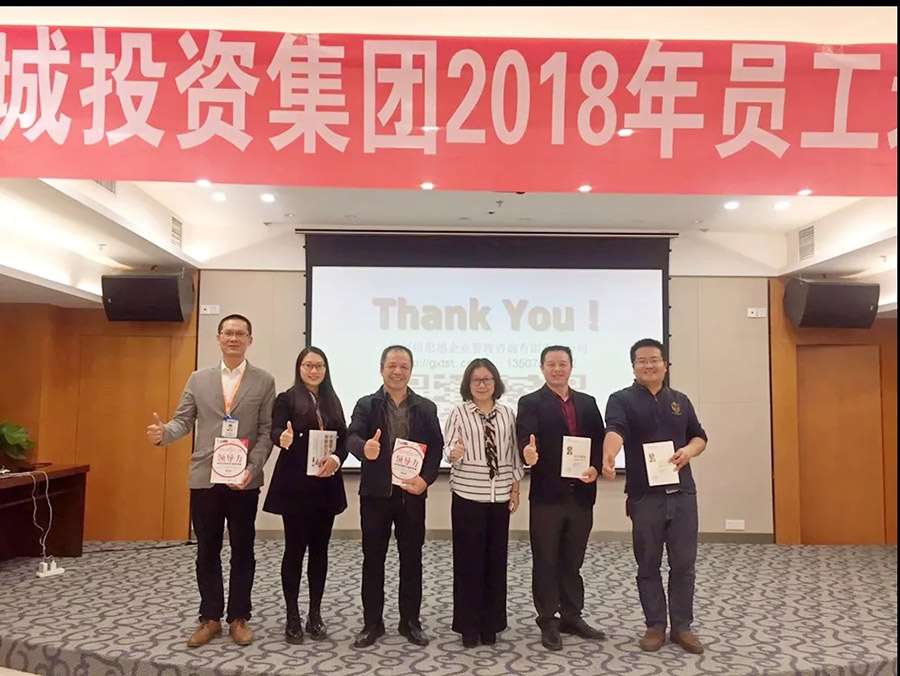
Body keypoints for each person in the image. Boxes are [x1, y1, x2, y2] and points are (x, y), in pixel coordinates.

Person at [146, 314, 276, 648]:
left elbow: (266, 431)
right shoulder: (199, 378)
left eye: (240, 334)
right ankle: (210, 617)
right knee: (207, 550)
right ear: (218, 339)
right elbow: (182, 420)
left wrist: (253, 468)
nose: (233, 338)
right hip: (205, 477)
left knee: (243, 550)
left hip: (243, 480)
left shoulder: (264, 381)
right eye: (228, 333)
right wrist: (164, 434)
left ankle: (239, 617)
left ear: (249, 340)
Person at [601, 338, 708, 655]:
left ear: (665, 365)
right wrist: (609, 455)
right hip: (645, 496)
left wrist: (689, 451)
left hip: (683, 494)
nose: (648, 365)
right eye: (642, 361)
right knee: (648, 564)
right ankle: (655, 625)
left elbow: (699, 437)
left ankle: (682, 627)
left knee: (684, 564)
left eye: (654, 360)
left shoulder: (680, 400)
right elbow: (615, 430)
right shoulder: (621, 399)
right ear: (633, 367)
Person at [346, 345, 444, 648]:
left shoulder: (425, 407)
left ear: (411, 371)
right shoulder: (367, 404)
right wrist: (364, 448)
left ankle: (410, 622)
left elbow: (436, 447)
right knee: (373, 560)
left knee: (412, 560)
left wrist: (426, 480)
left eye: (404, 366)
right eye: (392, 366)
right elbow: (351, 436)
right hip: (376, 495)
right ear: (381, 369)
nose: (398, 371)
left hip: (412, 495)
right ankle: (372, 623)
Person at [516, 345, 607, 651]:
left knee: (573, 559)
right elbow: (525, 438)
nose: (557, 369)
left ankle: (572, 616)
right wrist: (527, 452)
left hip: (581, 494)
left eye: (562, 364)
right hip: (548, 496)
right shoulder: (530, 402)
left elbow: (599, 441)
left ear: (571, 367)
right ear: (542, 368)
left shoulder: (588, 402)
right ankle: (548, 620)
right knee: (546, 560)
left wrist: (595, 466)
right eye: (551, 364)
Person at [263, 347, 348, 644]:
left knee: (320, 551)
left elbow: (344, 441)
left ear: (326, 369)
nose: (314, 371)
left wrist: (336, 459)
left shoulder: (333, 400)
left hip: (325, 485)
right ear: (299, 368)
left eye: (319, 366)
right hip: (296, 487)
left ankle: (315, 613)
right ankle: (292, 615)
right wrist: (281, 438)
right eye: (308, 365)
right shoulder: (286, 399)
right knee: (294, 551)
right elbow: (275, 430)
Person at [443, 358, 524, 648]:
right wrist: (455, 453)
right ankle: (468, 626)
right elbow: (448, 449)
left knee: (495, 563)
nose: (482, 385)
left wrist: (515, 490)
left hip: (499, 497)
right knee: (468, 564)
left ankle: (491, 625)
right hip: (467, 496)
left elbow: (513, 454)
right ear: (468, 384)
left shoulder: (507, 414)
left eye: (487, 379)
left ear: (495, 383)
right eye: (476, 380)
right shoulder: (459, 413)